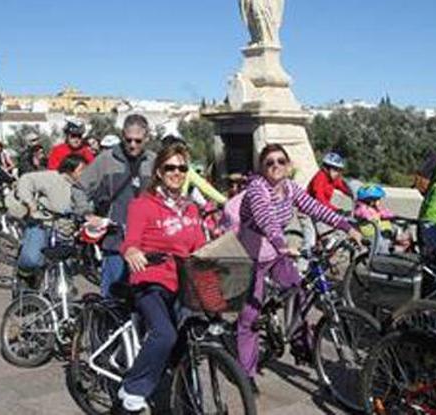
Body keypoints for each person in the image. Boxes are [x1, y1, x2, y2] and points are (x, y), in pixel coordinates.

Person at [236, 144, 361, 391]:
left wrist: (348, 227)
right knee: (249, 316)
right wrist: (282, 244)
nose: (275, 166)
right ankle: (246, 373)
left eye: (280, 161)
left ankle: (298, 343)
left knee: (299, 291)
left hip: (274, 251)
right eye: (269, 162)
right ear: (262, 167)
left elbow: (315, 207)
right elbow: (266, 219)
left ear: (288, 165)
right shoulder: (257, 188)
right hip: (250, 254)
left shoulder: (290, 188)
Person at [116, 142, 205, 412]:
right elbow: (130, 240)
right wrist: (131, 250)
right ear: (158, 171)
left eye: (182, 168)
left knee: (192, 337)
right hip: (150, 280)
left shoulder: (191, 209)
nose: (176, 173)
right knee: (165, 334)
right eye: (170, 167)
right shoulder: (142, 205)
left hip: (182, 282)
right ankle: (133, 387)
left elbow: (200, 248)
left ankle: (185, 399)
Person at [80, 114, 156, 297]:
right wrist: (87, 213)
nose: (133, 145)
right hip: (115, 240)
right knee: (112, 298)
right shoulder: (105, 160)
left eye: (138, 141)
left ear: (147, 138)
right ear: (122, 135)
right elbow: (79, 188)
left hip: (147, 243)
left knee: (146, 299)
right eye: (128, 139)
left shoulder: (154, 162)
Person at [15, 154, 93, 286]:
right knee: (32, 259)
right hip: (44, 224)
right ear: (69, 170)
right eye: (82, 170)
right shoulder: (51, 177)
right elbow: (25, 180)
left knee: (66, 267)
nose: (85, 173)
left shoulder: (84, 185)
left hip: (67, 230)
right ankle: (23, 277)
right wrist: (30, 203)